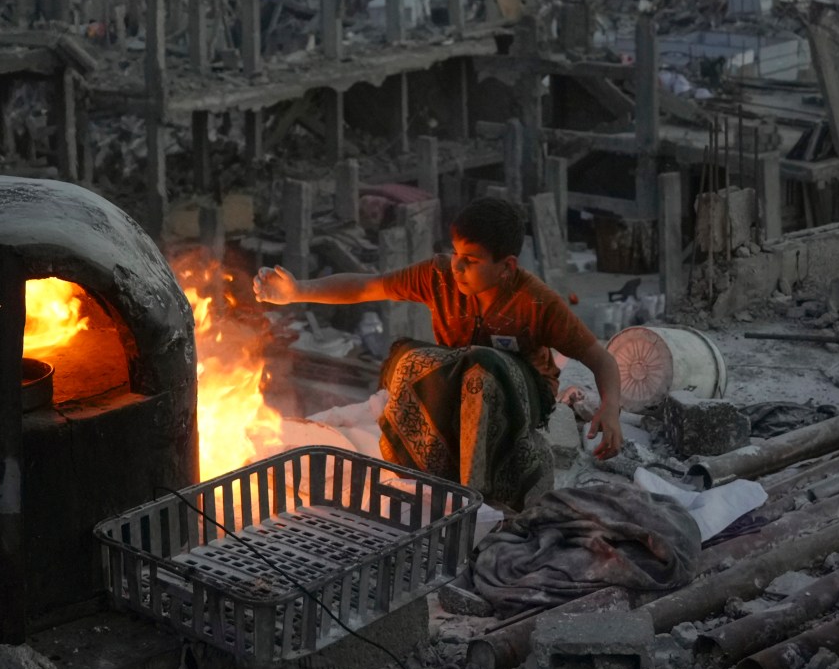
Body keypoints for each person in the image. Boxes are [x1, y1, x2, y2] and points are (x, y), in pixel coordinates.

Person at [254, 197, 626, 507]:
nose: (458, 267)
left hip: (522, 394)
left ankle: (471, 495)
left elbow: (599, 356)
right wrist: (297, 290)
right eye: (456, 254)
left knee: (482, 368)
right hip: (464, 379)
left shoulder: (536, 301)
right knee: (410, 361)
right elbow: (368, 286)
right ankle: (426, 470)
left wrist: (610, 409)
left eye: (472, 260)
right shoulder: (438, 277)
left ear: (506, 267)